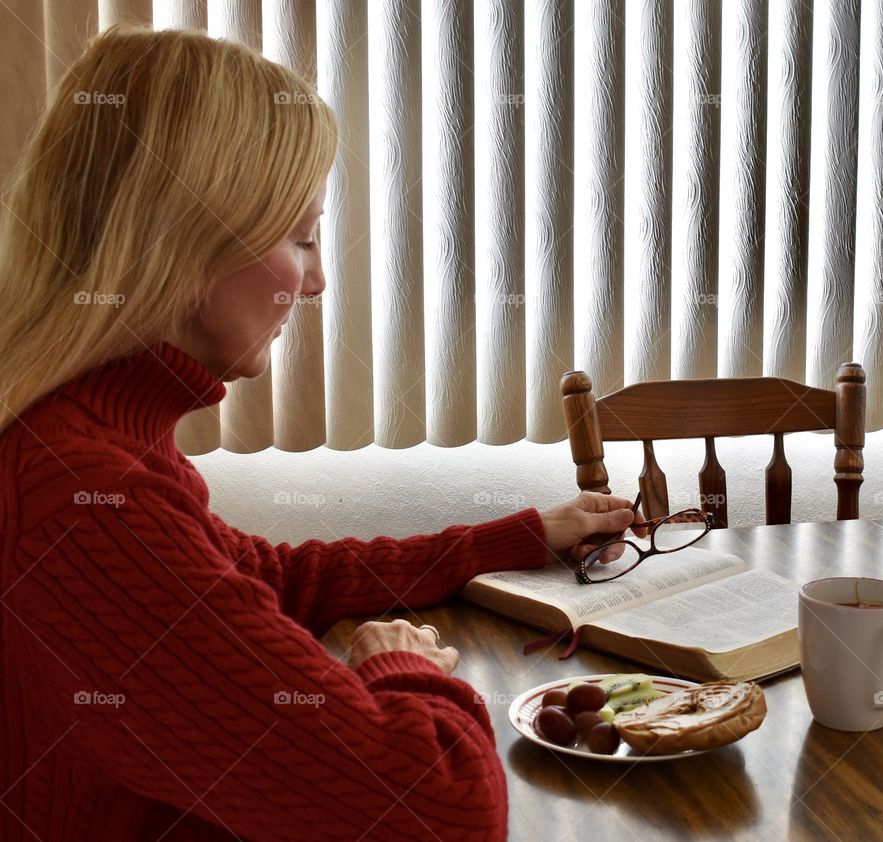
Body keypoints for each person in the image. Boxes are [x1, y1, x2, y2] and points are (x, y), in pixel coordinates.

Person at [0, 25, 641, 842]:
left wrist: (507, 537)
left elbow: (268, 579)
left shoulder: (91, 440)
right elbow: (442, 809)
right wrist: (398, 669)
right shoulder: (88, 503)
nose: (318, 282)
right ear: (184, 248)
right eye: (301, 237)